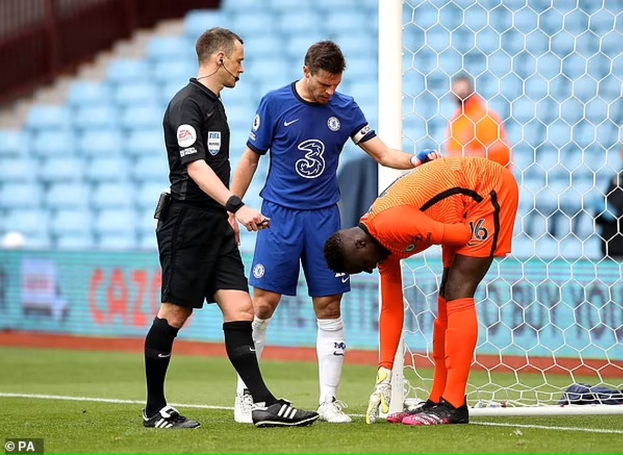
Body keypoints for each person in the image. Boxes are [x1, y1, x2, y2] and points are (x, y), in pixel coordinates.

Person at [229, 40, 438, 424]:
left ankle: (329, 401)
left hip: (325, 218)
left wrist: (414, 160)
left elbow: (383, 154)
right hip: (279, 216)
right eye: (324, 85)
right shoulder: (274, 104)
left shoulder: (345, 107)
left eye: (336, 85)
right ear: (307, 71)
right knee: (262, 305)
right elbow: (250, 158)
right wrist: (233, 206)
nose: (330, 92)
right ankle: (247, 395)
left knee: (329, 306)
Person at [142, 27, 318, 429]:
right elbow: (196, 166)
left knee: (241, 308)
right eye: (239, 59)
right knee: (174, 311)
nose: (242, 67)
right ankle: (155, 410)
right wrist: (235, 207)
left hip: (214, 224)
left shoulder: (214, 103)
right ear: (219, 58)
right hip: (186, 222)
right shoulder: (186, 104)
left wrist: (225, 218)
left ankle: (262, 404)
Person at [323, 156, 519, 426]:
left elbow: (462, 235)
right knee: (445, 299)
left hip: (486, 189)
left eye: (364, 266)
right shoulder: (378, 246)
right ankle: (438, 398)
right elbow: (391, 309)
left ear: (360, 243)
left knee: (458, 291)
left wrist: (432, 230)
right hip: (459, 206)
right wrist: (385, 370)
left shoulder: (391, 225)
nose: (370, 270)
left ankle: (454, 405)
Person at [444, 74, 512, 170]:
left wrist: (471, 157)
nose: (460, 94)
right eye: (457, 91)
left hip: (485, 176)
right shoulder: (456, 121)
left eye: (463, 91)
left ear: (472, 91)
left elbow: (500, 150)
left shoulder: (486, 117)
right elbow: (453, 151)